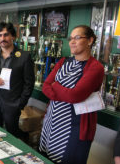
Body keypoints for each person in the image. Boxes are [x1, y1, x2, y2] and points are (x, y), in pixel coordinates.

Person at [39, 25, 104, 164]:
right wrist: (63, 92)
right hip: (51, 122)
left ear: (90, 40)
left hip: (74, 128)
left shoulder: (95, 67)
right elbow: (45, 86)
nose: (72, 42)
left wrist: (56, 86)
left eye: (78, 37)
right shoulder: (63, 62)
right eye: (71, 38)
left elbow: (75, 96)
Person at [0, 22, 35, 138]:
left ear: (13, 36)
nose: (3, 38)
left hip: (13, 105)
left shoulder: (24, 56)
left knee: (12, 136)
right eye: (0, 35)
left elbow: (29, 83)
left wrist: (20, 103)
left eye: (6, 35)